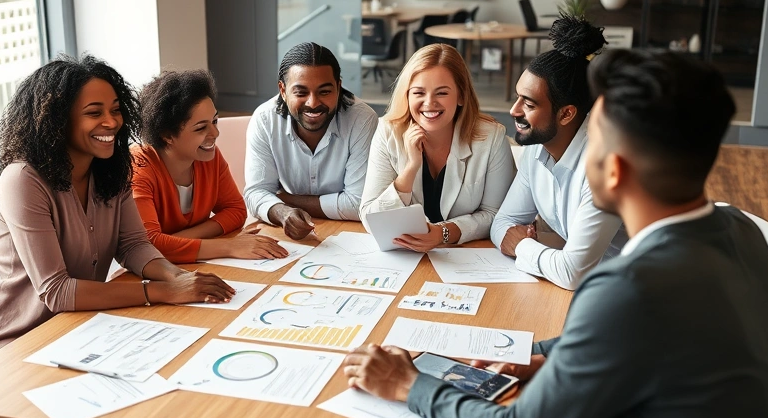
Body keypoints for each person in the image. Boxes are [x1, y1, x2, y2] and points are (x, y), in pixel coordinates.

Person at [343, 50, 768, 418]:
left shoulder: (628, 290)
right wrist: (530, 355)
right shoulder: (739, 231)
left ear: (614, 171)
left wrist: (408, 384)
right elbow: (645, 341)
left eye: (590, 142)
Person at [0, 55, 235, 418]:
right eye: (94, 113)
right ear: (56, 118)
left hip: (78, 331)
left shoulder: (110, 168)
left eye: (115, 108)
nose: (111, 122)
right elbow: (56, 291)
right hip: (13, 341)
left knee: (142, 402)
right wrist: (158, 293)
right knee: (100, 415)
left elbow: (133, 244)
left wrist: (176, 276)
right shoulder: (23, 179)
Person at [490, 15, 626, 290]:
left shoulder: (603, 165)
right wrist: (540, 254)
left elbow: (573, 273)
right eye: (517, 98)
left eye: (528, 103)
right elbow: (502, 223)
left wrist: (523, 246)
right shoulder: (536, 149)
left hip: (640, 292)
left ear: (566, 114)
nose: (514, 110)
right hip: (598, 287)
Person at [360, 43, 515, 251]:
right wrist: (410, 169)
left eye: (441, 93)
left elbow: (496, 214)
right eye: (418, 93)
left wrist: (443, 233)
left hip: (465, 254)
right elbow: (370, 218)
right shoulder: (388, 131)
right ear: (407, 95)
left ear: (461, 96)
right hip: (404, 255)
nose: (429, 103)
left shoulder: (492, 138)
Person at [131, 69, 288, 264]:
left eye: (214, 121)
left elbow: (236, 211)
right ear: (166, 135)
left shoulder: (207, 156)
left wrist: (179, 240)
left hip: (189, 266)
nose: (215, 132)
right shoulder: (139, 167)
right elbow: (147, 246)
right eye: (201, 128)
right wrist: (229, 246)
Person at [243, 42, 378, 240]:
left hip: (351, 235)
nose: (313, 103)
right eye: (301, 92)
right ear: (283, 90)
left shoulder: (362, 119)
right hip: (290, 236)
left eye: (324, 91)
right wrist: (283, 212)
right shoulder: (264, 119)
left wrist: (284, 200)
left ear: (338, 87)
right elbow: (255, 194)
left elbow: (359, 204)